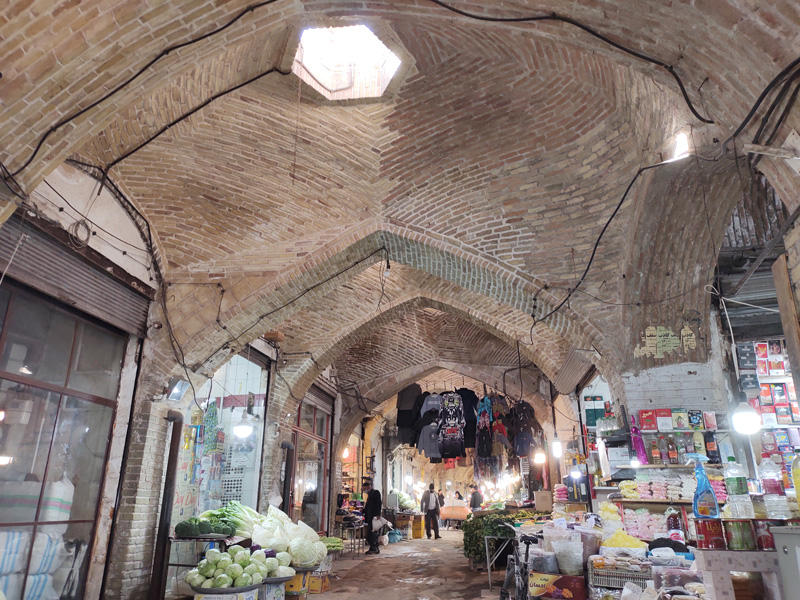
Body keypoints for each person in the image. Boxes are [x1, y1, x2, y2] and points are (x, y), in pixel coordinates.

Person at [363, 482, 382, 555]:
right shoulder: (369, 495)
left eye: (364, 489)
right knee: (371, 533)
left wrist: (378, 514)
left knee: (371, 533)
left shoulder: (375, 493)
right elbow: (368, 506)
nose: (364, 491)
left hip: (374, 517)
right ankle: (374, 547)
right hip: (370, 517)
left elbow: (378, 504)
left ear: (368, 487)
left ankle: (374, 548)